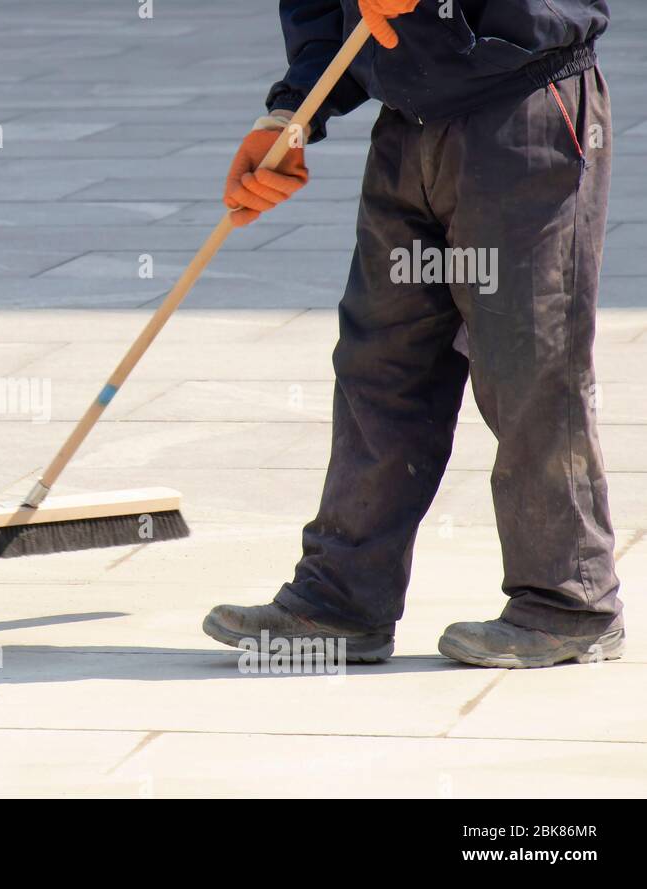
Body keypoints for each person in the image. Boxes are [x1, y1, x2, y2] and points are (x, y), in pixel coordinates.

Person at [202, 0, 624, 667]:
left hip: (525, 107)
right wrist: (294, 110)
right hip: (410, 124)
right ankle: (342, 599)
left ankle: (568, 600)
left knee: (530, 360)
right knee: (381, 359)